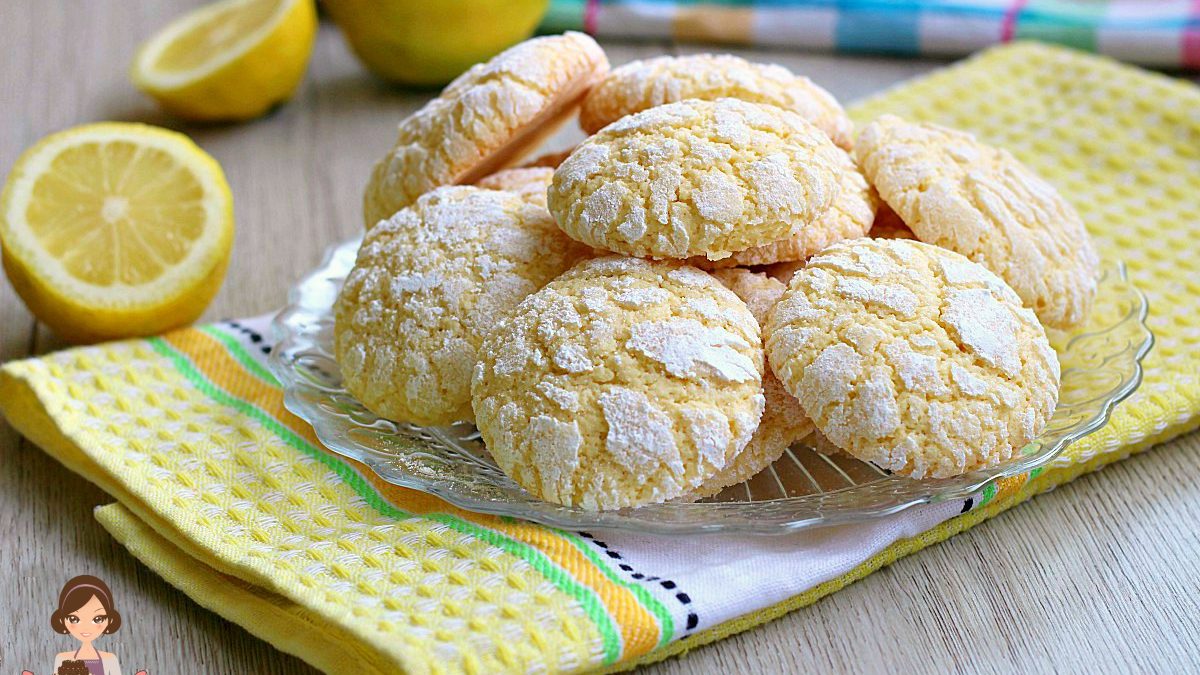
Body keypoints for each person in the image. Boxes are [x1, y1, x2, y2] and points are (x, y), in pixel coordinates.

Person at [48, 575, 145, 675]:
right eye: (74, 619)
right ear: (62, 620)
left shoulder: (110, 660)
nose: (86, 627)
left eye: (98, 619)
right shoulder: (62, 659)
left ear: (109, 620)